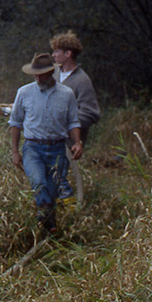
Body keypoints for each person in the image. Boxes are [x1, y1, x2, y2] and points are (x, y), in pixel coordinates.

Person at [8, 52, 83, 234]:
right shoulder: (24, 93)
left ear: (51, 73)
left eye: (42, 74)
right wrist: (15, 152)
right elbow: (15, 123)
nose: (39, 78)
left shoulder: (67, 94)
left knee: (51, 190)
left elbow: (73, 121)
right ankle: (50, 226)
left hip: (57, 148)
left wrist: (77, 142)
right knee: (39, 183)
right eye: (36, 74)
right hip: (33, 147)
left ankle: (47, 228)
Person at [50, 31, 101, 205]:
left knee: (58, 176)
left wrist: (67, 123)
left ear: (68, 54)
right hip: (48, 138)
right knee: (49, 176)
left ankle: (71, 213)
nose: (53, 55)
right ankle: (57, 210)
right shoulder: (54, 74)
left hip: (68, 142)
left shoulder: (81, 80)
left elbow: (91, 112)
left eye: (57, 51)